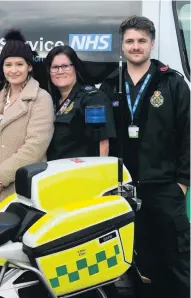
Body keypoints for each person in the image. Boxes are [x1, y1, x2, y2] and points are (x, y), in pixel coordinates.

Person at [100, 16, 190, 298]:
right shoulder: (110, 85)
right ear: (121, 46)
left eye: (141, 41)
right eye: (130, 41)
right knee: (136, 262)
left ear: (152, 44)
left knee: (174, 262)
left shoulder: (172, 82)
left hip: (164, 187)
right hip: (124, 189)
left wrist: (182, 183)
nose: (135, 46)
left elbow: (188, 134)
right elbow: (104, 140)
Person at [0, 29, 54, 215]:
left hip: (19, 193)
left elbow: (35, 148)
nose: (13, 70)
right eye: (8, 64)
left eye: (19, 64)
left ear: (29, 67)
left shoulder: (41, 99)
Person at [45, 45, 116, 161]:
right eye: (55, 67)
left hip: (81, 174)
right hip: (54, 173)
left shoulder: (92, 99)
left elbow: (102, 143)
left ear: (75, 68)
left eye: (65, 66)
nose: (60, 71)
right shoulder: (51, 100)